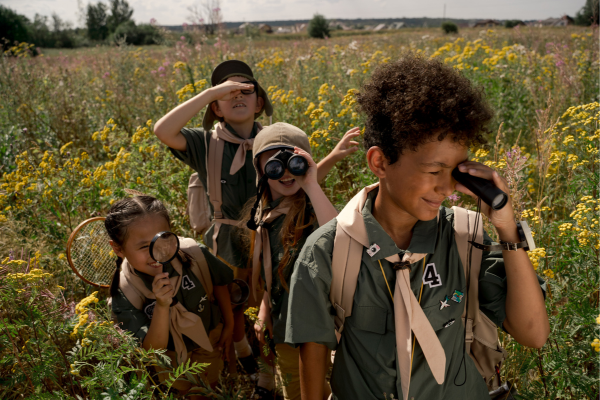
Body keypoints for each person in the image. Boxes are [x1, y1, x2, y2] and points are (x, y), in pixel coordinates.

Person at [284, 55, 550, 400]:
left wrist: (506, 227)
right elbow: (313, 363)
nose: (447, 188)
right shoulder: (327, 250)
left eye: (456, 172)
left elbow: (533, 334)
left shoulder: (464, 238)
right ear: (380, 162)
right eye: (434, 171)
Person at [153, 60, 360, 375]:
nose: (236, 94)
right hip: (226, 239)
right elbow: (162, 130)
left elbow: (298, 185)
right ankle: (241, 360)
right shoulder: (206, 141)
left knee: (269, 296)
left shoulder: (272, 140)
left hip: (270, 231)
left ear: (259, 103)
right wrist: (211, 93)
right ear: (216, 108)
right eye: (227, 92)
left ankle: (267, 359)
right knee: (231, 305)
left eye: (245, 90)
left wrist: (330, 158)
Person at [243, 122, 337, 400]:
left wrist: (311, 183)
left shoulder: (312, 207)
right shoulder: (265, 216)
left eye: (293, 161)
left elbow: (338, 238)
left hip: (319, 323)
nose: (285, 172)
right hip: (284, 323)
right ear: (260, 171)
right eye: (274, 165)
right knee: (297, 389)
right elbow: (274, 271)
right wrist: (264, 311)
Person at [107, 195, 234, 398]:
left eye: (162, 238)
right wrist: (162, 305)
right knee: (184, 393)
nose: (157, 251)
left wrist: (229, 323)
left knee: (210, 388)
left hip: (209, 338)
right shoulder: (125, 292)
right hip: (170, 356)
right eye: (143, 246)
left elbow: (219, 282)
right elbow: (152, 350)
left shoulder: (194, 255)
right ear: (118, 249)